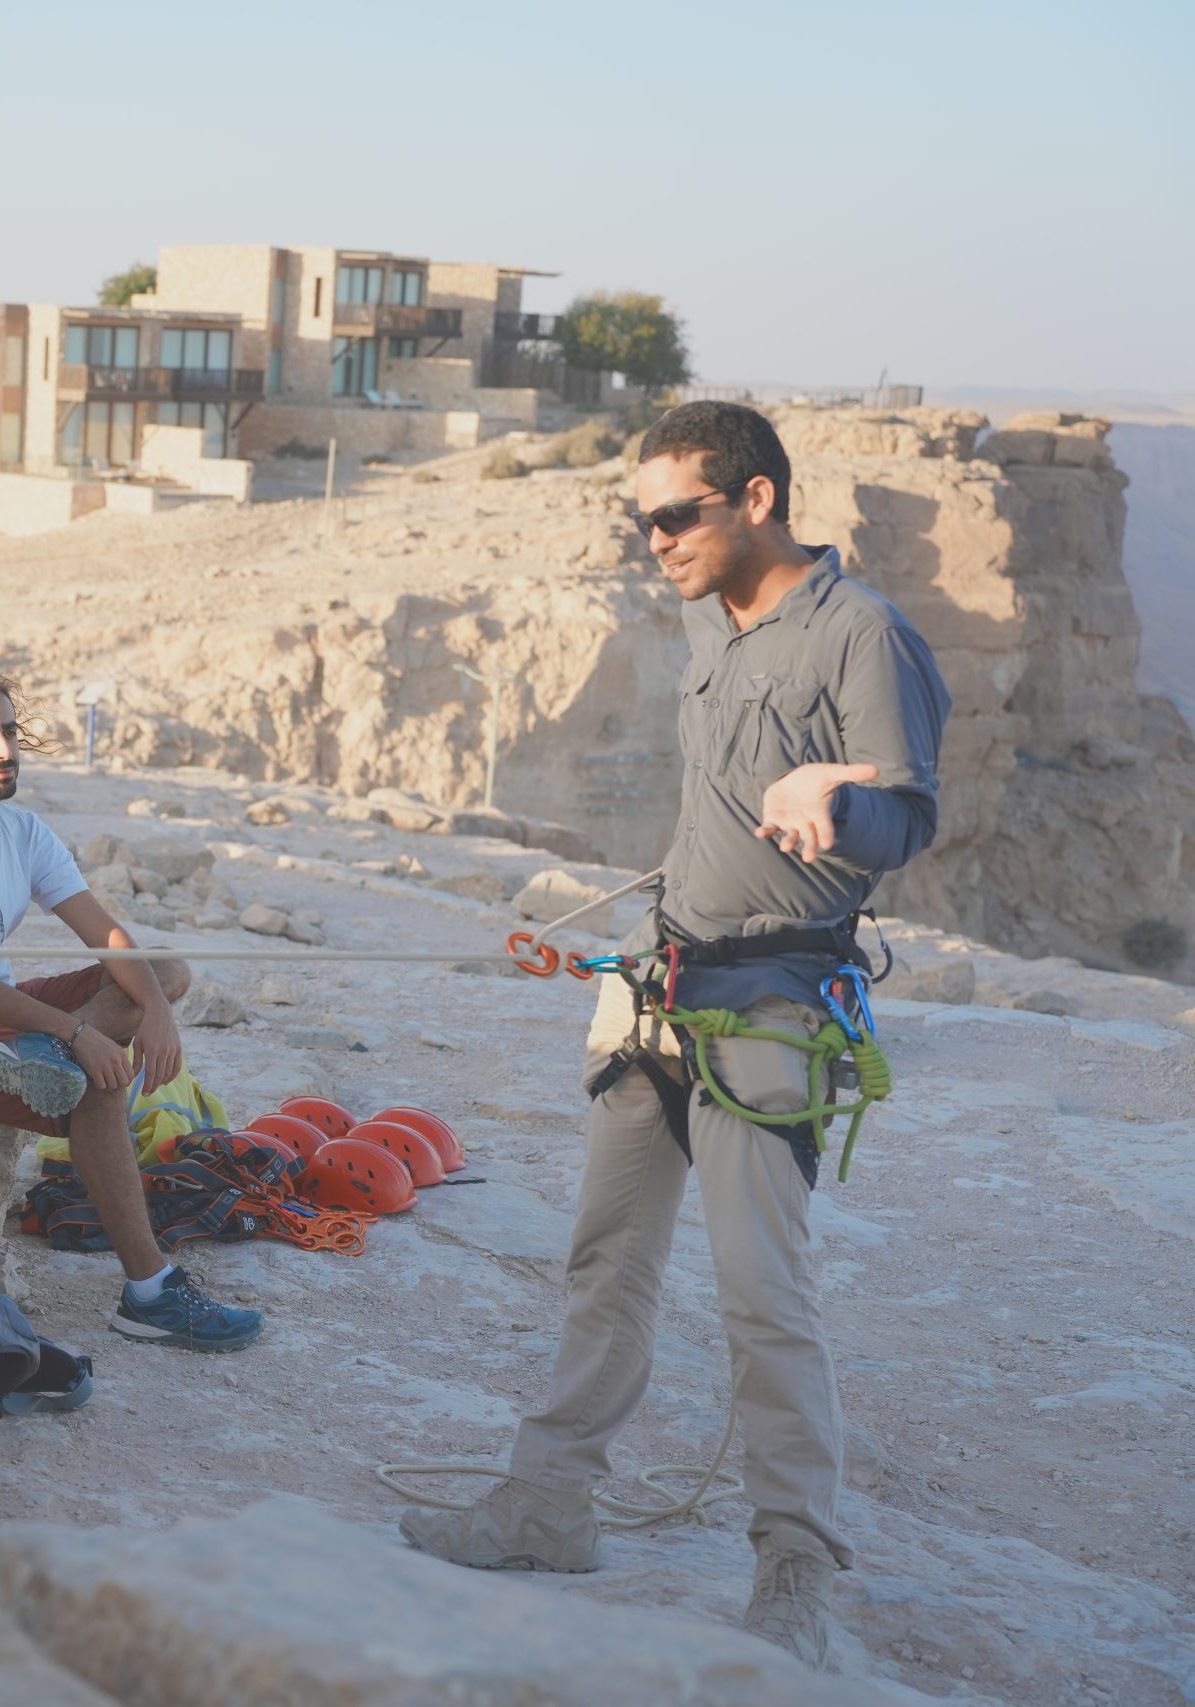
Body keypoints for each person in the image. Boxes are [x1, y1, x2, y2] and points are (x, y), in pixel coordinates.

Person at [397, 402, 950, 1670]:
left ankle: (795, 1565)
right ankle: (546, 1506)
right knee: (607, 1259)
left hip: (771, 1005)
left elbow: (909, 822)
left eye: (675, 515)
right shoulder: (713, 618)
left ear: (756, 500)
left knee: (762, 1290)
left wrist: (836, 802)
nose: (655, 540)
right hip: (658, 981)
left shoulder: (865, 635)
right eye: (641, 518)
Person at [0, 665, 264, 1355]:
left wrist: (159, 1010)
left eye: (10, 732)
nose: (3, 750)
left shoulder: (23, 832)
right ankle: (149, 1291)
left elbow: (104, 932)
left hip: (3, 1027)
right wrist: (75, 1031)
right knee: (97, 1083)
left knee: (162, 968)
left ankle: (43, 1058)